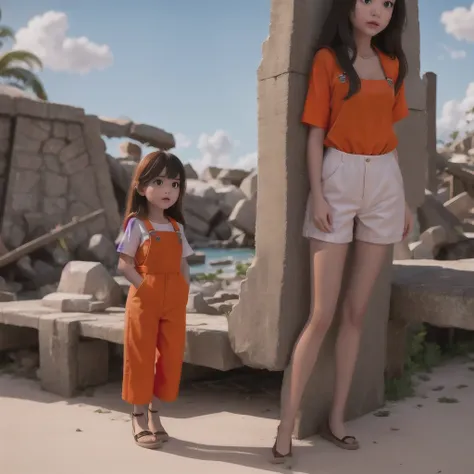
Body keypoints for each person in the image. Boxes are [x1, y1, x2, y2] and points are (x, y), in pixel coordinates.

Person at [271, 0, 413, 463]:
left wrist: (404, 198)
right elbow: (315, 133)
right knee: (322, 314)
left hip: (384, 182)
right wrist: (318, 194)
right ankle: (286, 424)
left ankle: (336, 419)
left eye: (388, 4)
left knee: (356, 312)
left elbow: (390, 136)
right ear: (349, 6)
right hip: (338, 178)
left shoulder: (394, 65)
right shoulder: (328, 61)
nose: (379, 10)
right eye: (370, 0)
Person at [117, 150, 193, 450]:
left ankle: (155, 414)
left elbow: (185, 261)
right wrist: (143, 286)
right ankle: (137, 417)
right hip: (144, 298)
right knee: (140, 357)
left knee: (171, 358)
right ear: (140, 187)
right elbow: (124, 263)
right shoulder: (136, 225)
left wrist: (184, 288)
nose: (167, 190)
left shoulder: (177, 228)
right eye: (159, 181)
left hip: (174, 299)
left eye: (174, 184)